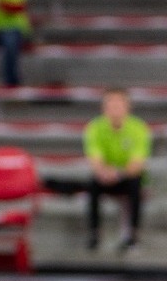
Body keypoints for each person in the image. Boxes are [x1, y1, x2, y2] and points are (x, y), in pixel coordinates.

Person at [59, 88, 150, 252]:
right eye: (111, 104)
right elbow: (95, 160)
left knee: (136, 184)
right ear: (104, 107)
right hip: (105, 177)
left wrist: (118, 173)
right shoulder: (95, 127)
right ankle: (95, 233)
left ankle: (132, 235)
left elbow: (137, 164)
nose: (115, 108)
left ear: (127, 107)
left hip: (127, 177)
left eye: (119, 104)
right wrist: (104, 172)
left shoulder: (139, 128)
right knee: (93, 183)